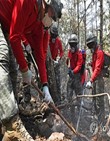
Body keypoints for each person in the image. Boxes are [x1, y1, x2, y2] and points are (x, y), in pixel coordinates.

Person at [0, 0, 63, 140]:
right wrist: (24, 68)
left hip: (6, 26)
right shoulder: (27, 1)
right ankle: (12, 125)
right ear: (46, 4)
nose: (51, 20)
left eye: (53, 19)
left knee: (12, 72)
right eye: (52, 14)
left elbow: (40, 57)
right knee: (2, 59)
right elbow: (15, 36)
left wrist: (45, 86)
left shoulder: (38, 26)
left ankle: (5, 120)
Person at [85, 33, 105, 125]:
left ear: (95, 43)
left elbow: (97, 69)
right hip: (95, 79)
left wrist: (90, 80)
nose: (90, 47)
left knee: (99, 101)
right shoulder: (94, 53)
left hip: (99, 79)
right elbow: (95, 65)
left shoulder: (99, 52)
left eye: (91, 44)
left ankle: (101, 123)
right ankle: (97, 119)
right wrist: (90, 64)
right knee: (94, 99)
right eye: (89, 45)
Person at [66, 34, 83, 125]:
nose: (72, 46)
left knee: (79, 97)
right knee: (69, 96)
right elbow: (68, 60)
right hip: (71, 77)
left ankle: (80, 116)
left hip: (77, 77)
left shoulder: (79, 53)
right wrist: (68, 68)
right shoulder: (69, 52)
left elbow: (79, 65)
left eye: (74, 44)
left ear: (76, 44)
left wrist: (74, 71)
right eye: (71, 44)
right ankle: (72, 116)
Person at [48, 23, 64, 104]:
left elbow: (61, 52)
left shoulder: (58, 41)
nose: (54, 38)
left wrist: (58, 58)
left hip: (56, 63)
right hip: (48, 62)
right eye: (52, 35)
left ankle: (58, 100)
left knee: (57, 81)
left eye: (55, 36)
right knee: (48, 80)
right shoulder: (47, 39)